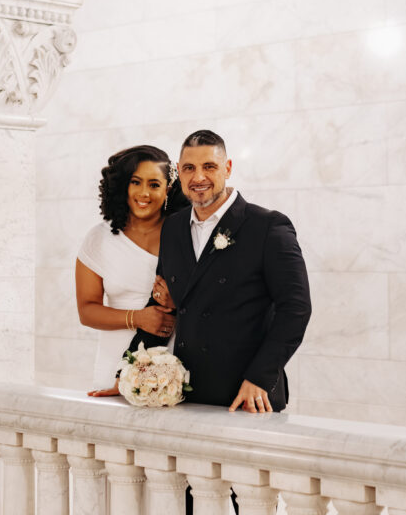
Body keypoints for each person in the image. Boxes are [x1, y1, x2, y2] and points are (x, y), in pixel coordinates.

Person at [130, 128, 312, 412]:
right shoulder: (173, 227)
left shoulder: (268, 227)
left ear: (227, 168)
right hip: (184, 391)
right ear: (179, 171)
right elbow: (162, 305)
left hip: (248, 396)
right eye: (189, 168)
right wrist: (128, 374)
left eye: (209, 167)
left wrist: (260, 377)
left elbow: (296, 309)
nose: (198, 177)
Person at [75, 145, 186, 391]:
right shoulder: (99, 238)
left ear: (168, 188)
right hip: (114, 361)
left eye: (154, 185)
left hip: (175, 361)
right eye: (136, 182)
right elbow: (86, 311)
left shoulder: (186, 234)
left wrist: (177, 300)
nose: (144, 193)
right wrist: (138, 318)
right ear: (123, 185)